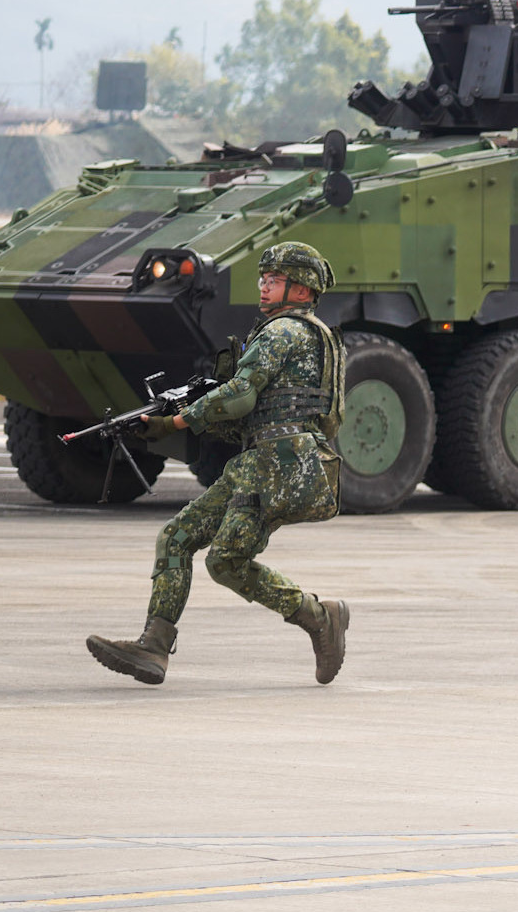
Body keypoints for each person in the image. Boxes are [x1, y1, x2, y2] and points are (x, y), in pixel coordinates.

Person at [85, 242, 350, 686]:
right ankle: (156, 647)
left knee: (198, 548)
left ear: (302, 291)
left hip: (273, 465)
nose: (264, 287)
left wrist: (174, 421)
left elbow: (241, 395)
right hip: (277, 464)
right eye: (263, 279)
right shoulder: (317, 336)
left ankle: (320, 617)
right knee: (200, 549)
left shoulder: (281, 333)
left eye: (275, 280)